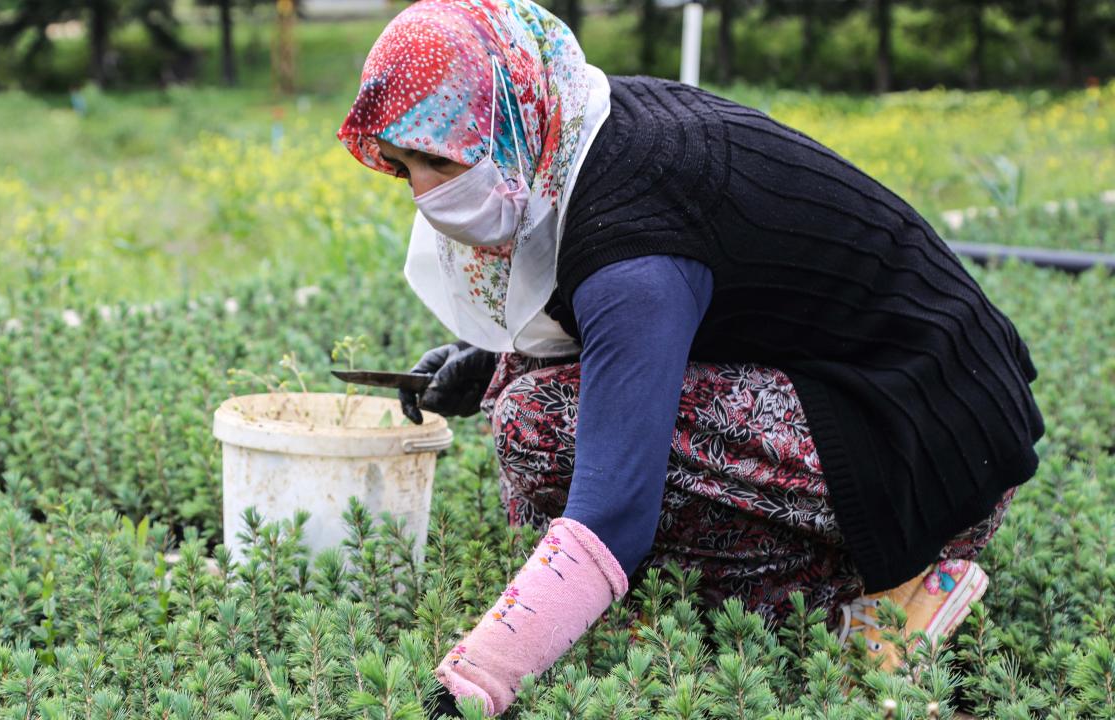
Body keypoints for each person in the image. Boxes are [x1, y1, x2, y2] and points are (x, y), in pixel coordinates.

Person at [336, 0, 1045, 714]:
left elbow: (614, 508)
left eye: (440, 158)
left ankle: (882, 587)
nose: (428, 195)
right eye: (404, 168)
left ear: (511, 116)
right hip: (910, 388)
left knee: (538, 422)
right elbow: (603, 297)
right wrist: (485, 360)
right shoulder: (576, 126)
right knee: (521, 383)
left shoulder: (632, 240)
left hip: (931, 432)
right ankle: (678, 590)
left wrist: (476, 681)